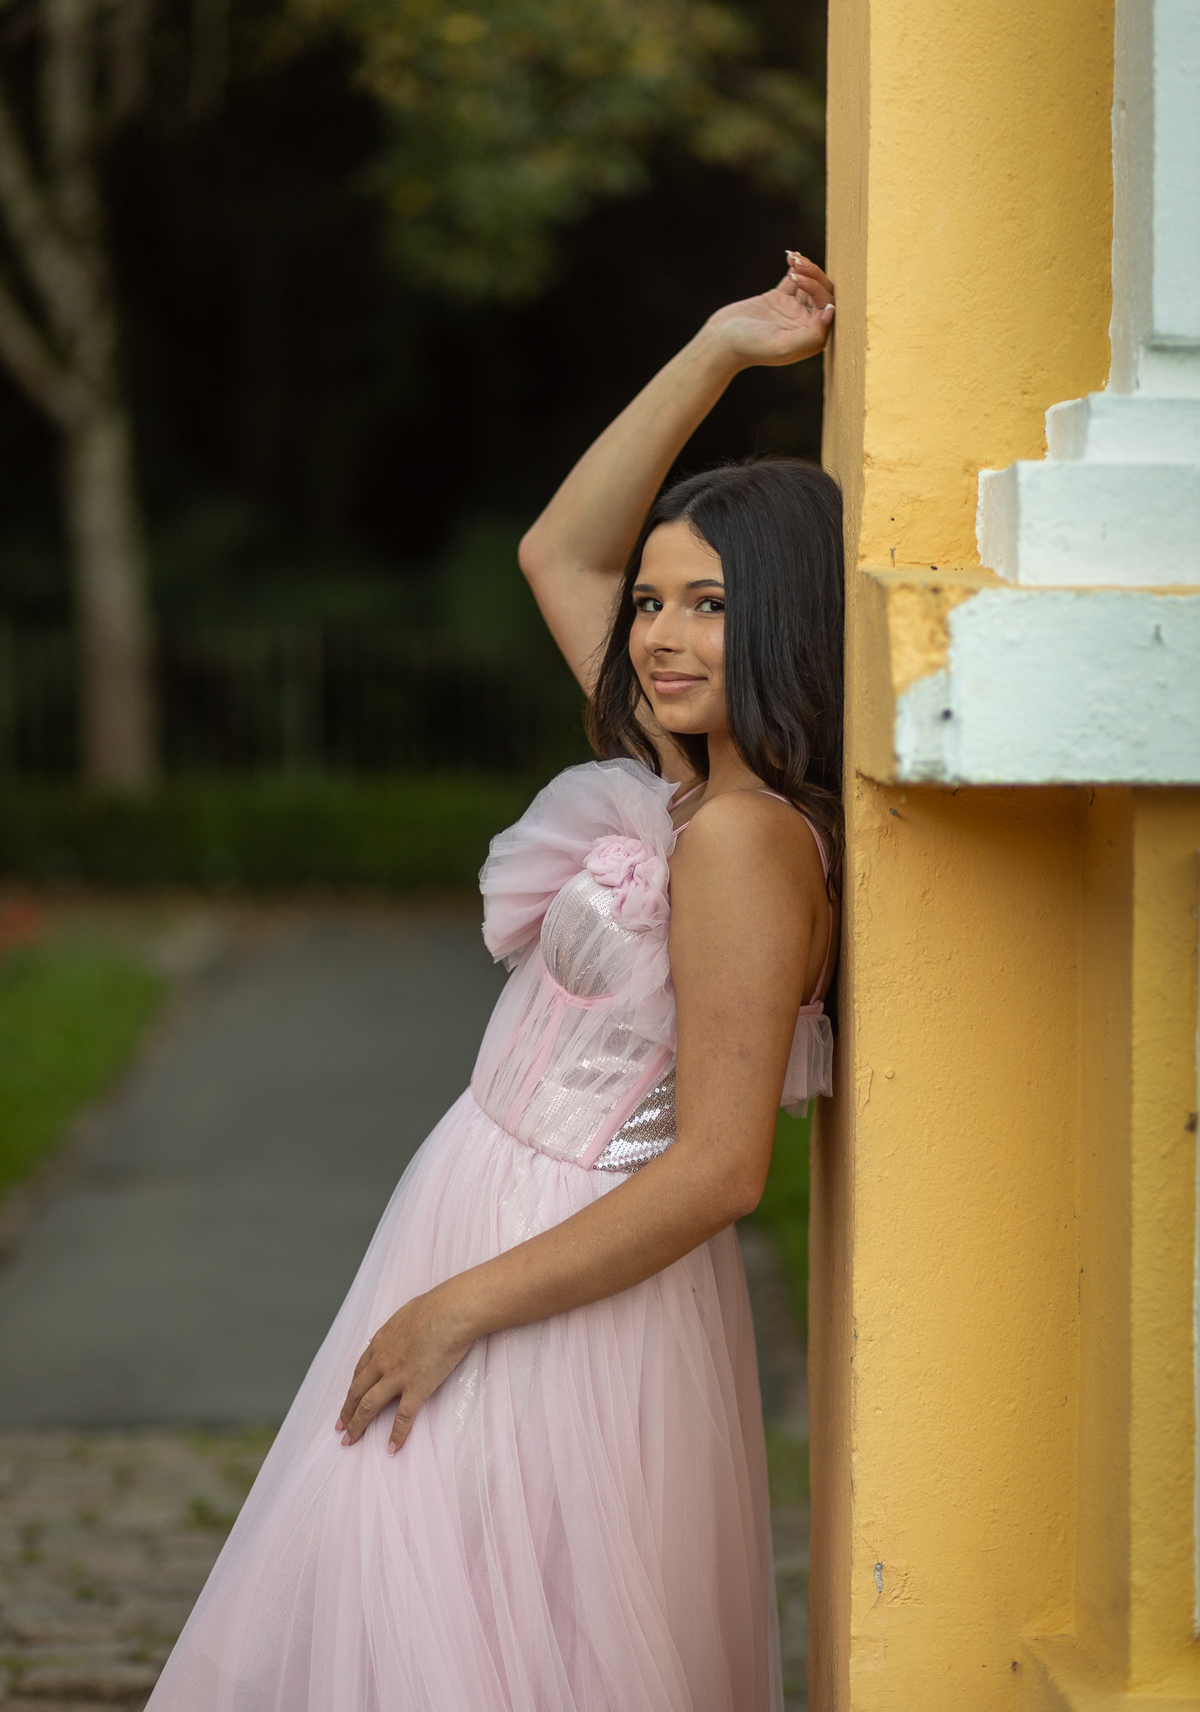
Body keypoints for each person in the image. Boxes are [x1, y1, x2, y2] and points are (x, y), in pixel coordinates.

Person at [145, 254, 841, 1712]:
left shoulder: (746, 844)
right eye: (652, 604)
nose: (658, 636)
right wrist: (720, 348)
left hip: (566, 1275)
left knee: (484, 1634)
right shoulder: (682, 779)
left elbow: (721, 1168)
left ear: (787, 620)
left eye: (710, 605)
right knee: (407, 1602)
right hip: (473, 1201)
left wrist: (462, 1306)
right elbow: (557, 554)